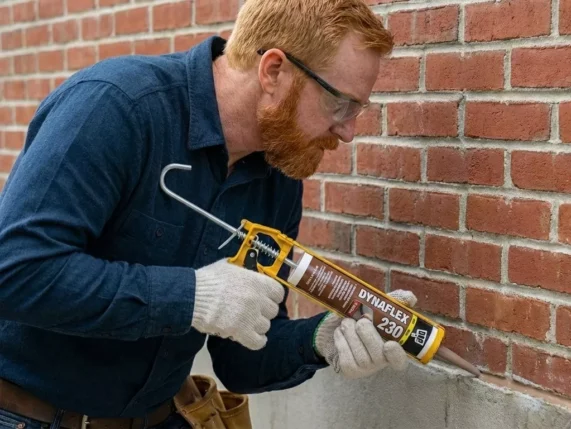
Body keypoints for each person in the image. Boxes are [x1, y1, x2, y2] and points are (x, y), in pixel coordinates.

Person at [0, 0, 419, 428]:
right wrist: (191, 297)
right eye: (340, 104)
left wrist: (320, 339)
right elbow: (14, 272)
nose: (347, 131)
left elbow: (241, 362)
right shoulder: (118, 106)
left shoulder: (277, 174)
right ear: (273, 70)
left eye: (357, 110)